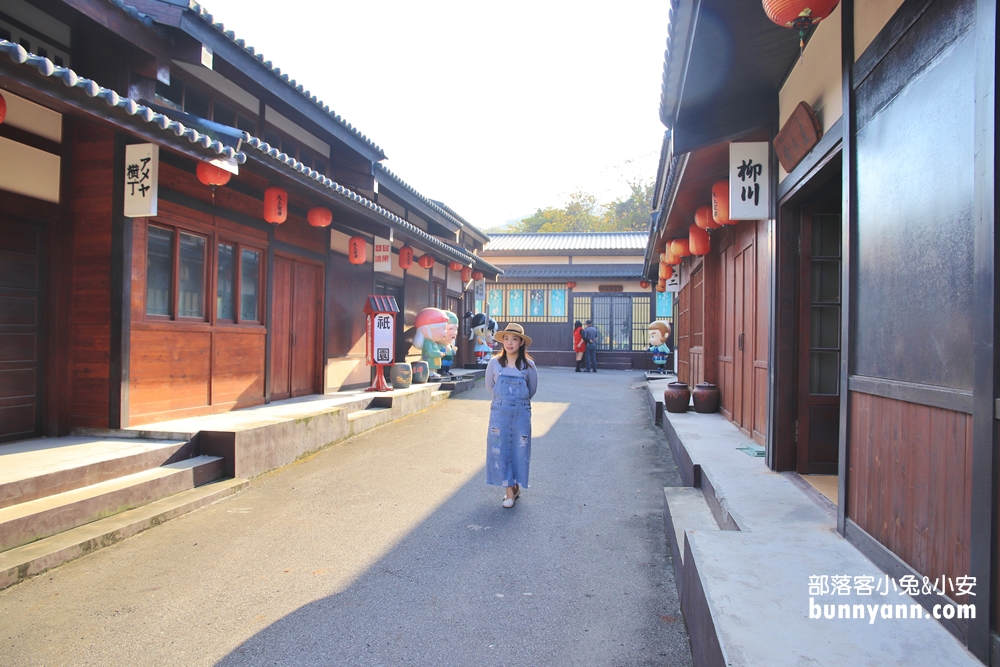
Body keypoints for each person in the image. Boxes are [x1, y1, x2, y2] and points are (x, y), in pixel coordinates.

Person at [485, 323, 538, 508]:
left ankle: (514, 487)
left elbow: (531, 390)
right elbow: (490, 387)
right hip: (500, 413)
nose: (509, 343)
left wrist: (517, 402)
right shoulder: (494, 363)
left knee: (519, 450)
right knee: (500, 449)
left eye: (514, 339)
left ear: (521, 342)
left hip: (521, 413)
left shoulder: (529, 365)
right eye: (506, 339)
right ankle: (509, 491)